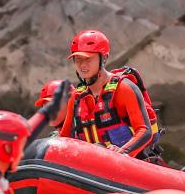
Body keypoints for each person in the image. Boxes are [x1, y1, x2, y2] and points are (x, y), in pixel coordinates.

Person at [55, 29, 163, 162]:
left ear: (104, 58)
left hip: (131, 163)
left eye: (88, 58)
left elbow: (144, 131)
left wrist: (122, 152)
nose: (82, 65)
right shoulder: (76, 97)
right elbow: (65, 137)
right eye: (78, 59)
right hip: (91, 165)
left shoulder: (124, 88)